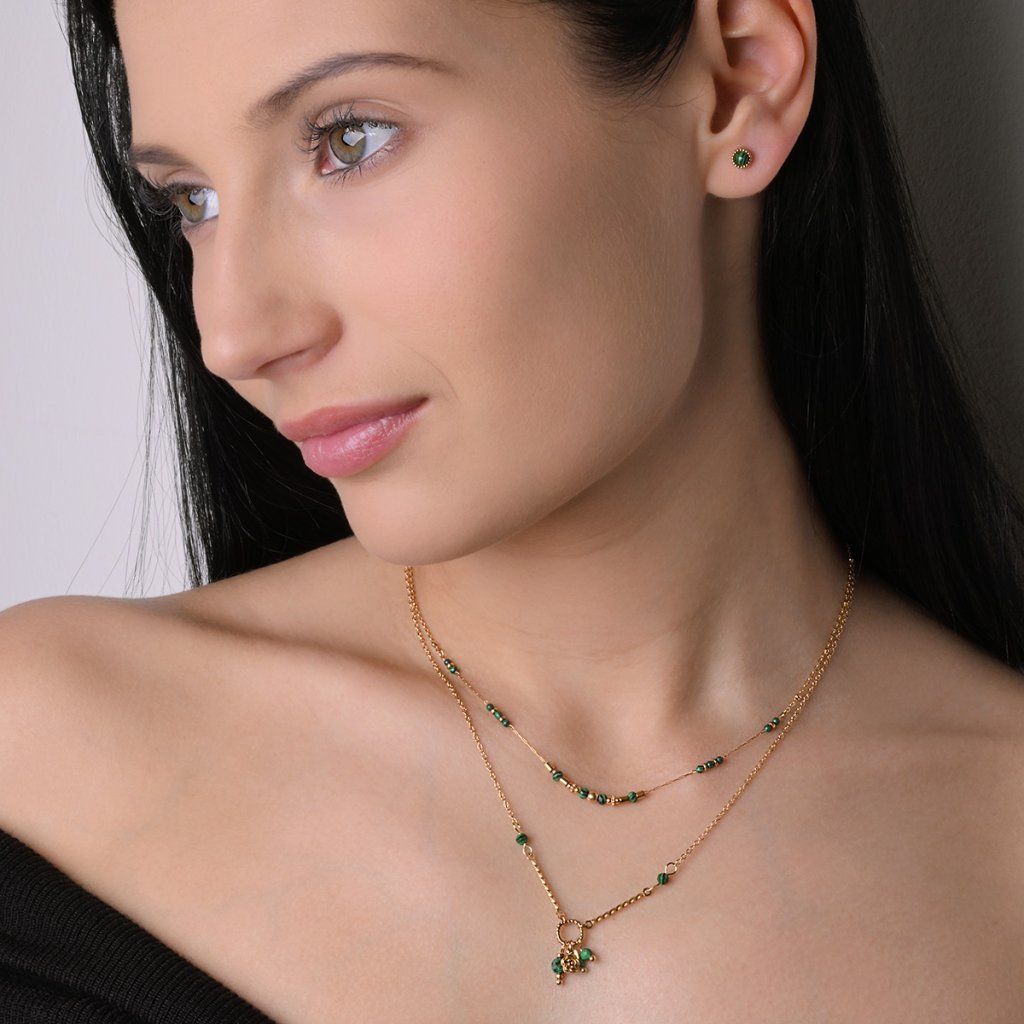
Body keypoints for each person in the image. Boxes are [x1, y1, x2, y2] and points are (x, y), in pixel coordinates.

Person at [2, 0, 1022, 1020]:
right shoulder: (37, 750)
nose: (234, 334)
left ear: (737, 82)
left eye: (349, 139)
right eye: (193, 200)